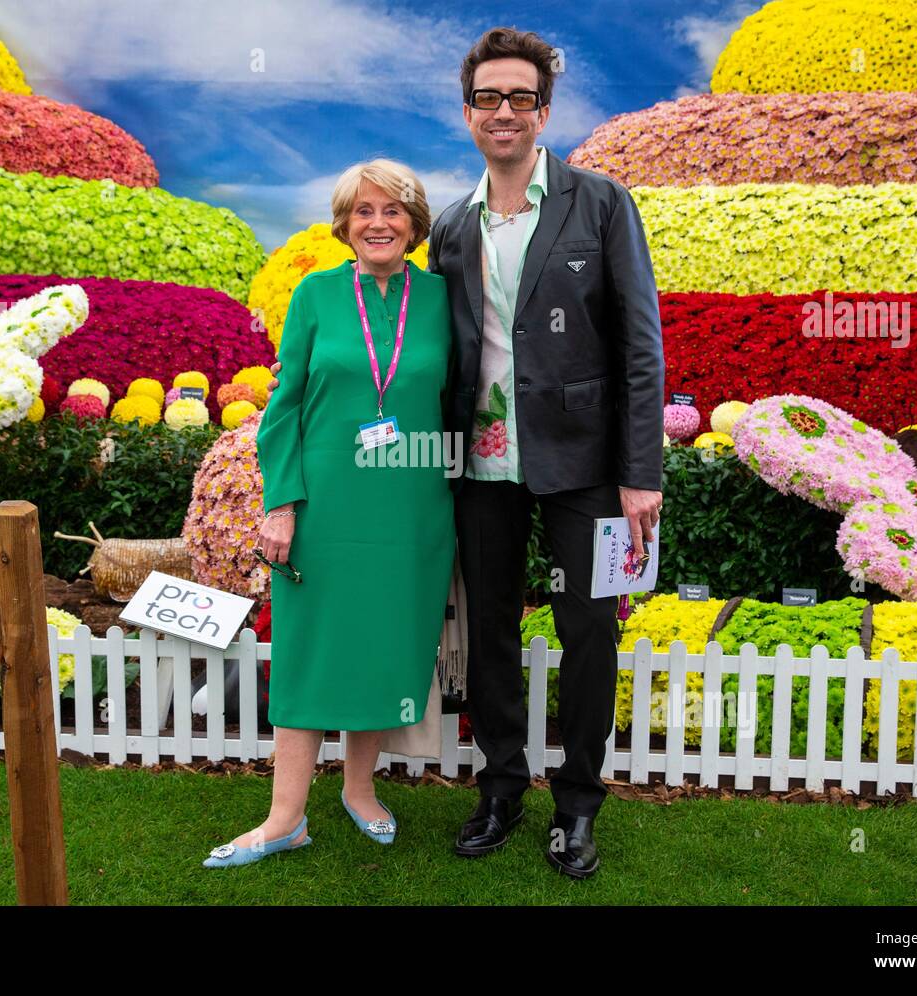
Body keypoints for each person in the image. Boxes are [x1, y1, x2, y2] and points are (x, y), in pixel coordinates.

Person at [267, 27, 665, 880]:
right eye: (489, 98)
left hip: (585, 469)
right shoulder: (450, 227)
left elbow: (640, 347)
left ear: (543, 109)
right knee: (487, 632)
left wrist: (641, 473)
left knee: (588, 630)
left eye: (521, 97)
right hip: (477, 466)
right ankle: (502, 788)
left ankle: (579, 805)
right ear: (468, 113)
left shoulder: (600, 203)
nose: (505, 112)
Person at [203, 160, 455, 868]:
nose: (378, 223)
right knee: (310, 655)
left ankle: (359, 790)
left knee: (382, 647)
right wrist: (281, 503)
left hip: (411, 508)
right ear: (344, 224)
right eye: (363, 211)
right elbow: (281, 412)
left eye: (394, 210)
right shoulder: (314, 295)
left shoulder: (440, 298)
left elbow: (459, 401)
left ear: (415, 223)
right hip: (323, 505)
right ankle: (285, 817)